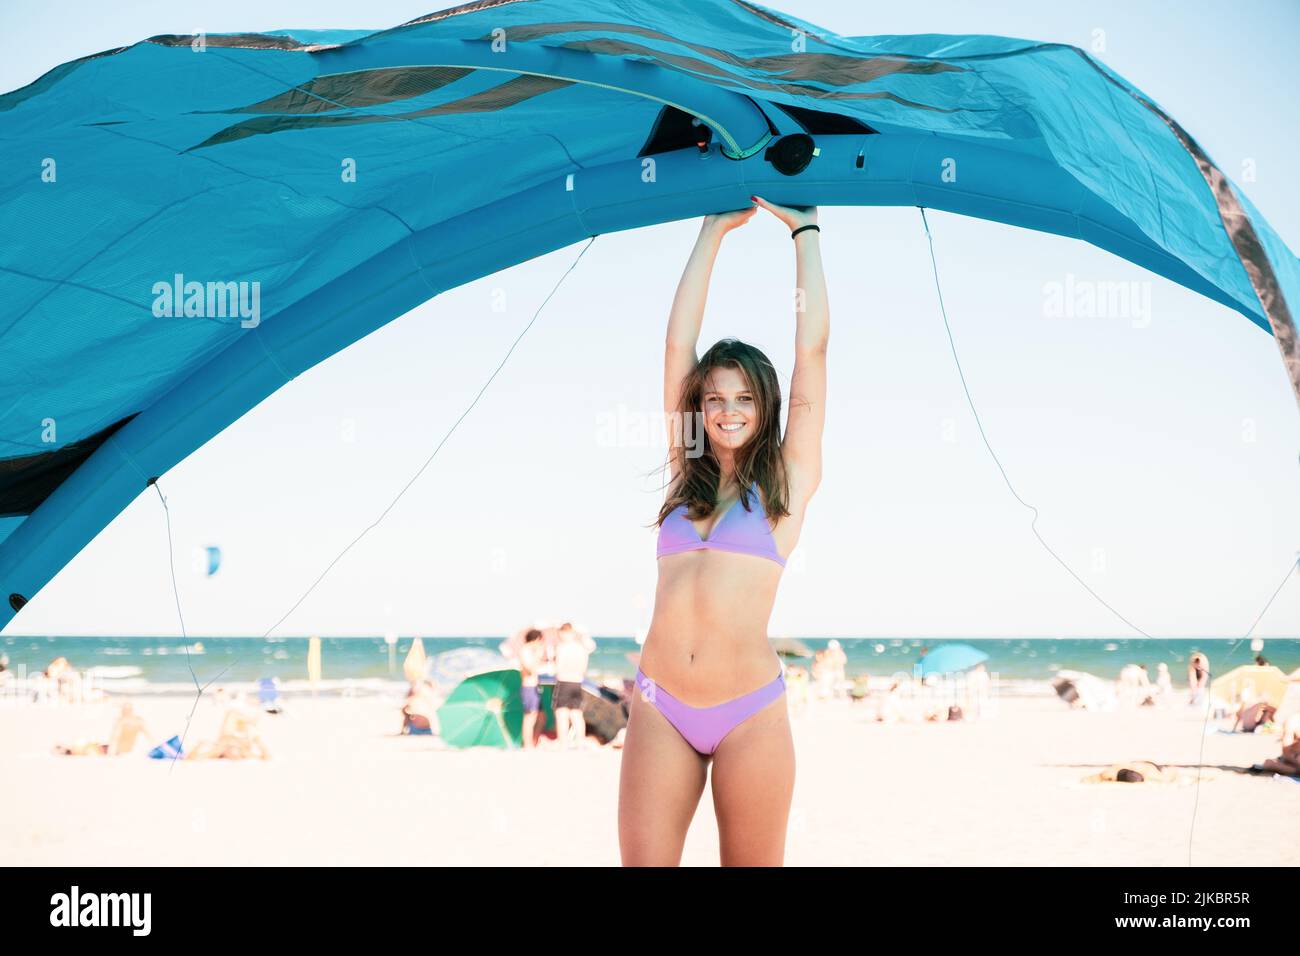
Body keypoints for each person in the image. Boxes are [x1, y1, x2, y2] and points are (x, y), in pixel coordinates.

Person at [619, 195, 827, 866]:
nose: (728, 410)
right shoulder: (686, 474)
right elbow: (678, 344)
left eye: (744, 397)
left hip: (749, 713)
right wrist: (713, 229)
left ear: (764, 406)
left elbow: (812, 354)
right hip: (659, 706)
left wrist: (805, 231)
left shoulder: (784, 487)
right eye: (714, 398)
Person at [53, 700, 154, 756]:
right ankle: (67, 750)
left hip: (115, 750)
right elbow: (150, 737)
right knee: (92, 746)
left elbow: (115, 738)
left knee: (88, 748)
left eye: (122, 709)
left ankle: (66, 751)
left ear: (125, 710)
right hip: (127, 749)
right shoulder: (139, 721)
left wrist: (111, 753)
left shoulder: (121, 721)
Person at [553, 623, 595, 750]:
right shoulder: (581, 648)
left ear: (565, 633)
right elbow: (584, 667)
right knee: (576, 713)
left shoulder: (562, 647)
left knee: (562, 714)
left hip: (564, 681)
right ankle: (580, 742)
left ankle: (563, 743)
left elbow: (559, 666)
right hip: (577, 682)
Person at [518, 628, 548, 748]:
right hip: (529, 687)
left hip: (535, 686)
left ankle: (534, 741)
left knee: (541, 717)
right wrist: (538, 656)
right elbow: (530, 669)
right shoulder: (525, 651)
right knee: (530, 717)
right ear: (536, 639)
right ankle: (527, 744)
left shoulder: (531, 651)